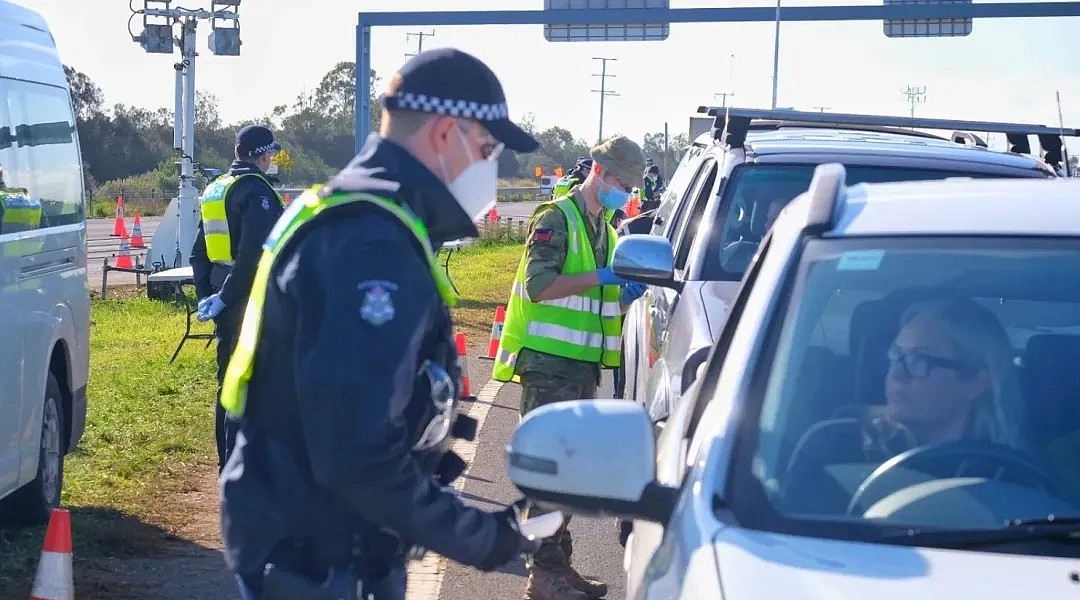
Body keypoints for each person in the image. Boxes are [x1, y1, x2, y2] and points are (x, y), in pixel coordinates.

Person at [217, 47, 541, 599]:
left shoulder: (360, 211)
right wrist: (483, 536)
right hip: (321, 560)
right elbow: (356, 453)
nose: (490, 167)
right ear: (445, 133)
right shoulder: (371, 242)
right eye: (487, 148)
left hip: (311, 542)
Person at [492, 135, 648, 600]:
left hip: (580, 367)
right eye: (621, 182)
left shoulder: (608, 229)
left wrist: (622, 296)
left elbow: (596, 303)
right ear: (599, 172)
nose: (626, 192)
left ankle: (560, 566)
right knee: (545, 474)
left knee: (569, 474)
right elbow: (540, 285)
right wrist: (603, 276)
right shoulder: (556, 219)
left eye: (630, 186)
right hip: (548, 364)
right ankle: (543, 574)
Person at [781, 296, 1027, 514]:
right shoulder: (834, 446)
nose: (896, 374)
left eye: (918, 360)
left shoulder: (1012, 477)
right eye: (895, 355)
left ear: (975, 381)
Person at [189, 124, 285, 472]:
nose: (271, 159)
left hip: (223, 300)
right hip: (252, 300)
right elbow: (252, 257)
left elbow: (199, 253)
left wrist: (208, 297)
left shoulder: (215, 189)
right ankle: (248, 468)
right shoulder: (254, 191)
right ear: (261, 154)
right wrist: (228, 297)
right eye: (270, 153)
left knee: (228, 382)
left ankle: (227, 464)